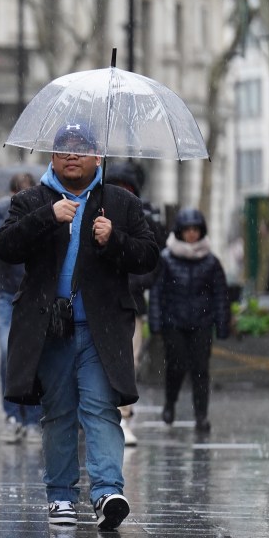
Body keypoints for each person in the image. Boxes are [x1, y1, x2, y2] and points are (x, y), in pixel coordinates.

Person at [0, 122, 159, 530]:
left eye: (82, 148)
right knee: (59, 412)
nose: (72, 155)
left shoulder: (118, 202)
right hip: (50, 328)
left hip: (102, 330)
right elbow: (5, 247)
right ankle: (61, 496)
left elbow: (148, 256)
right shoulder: (32, 199)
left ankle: (106, 492)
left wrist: (114, 239)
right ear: (51, 156)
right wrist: (47, 218)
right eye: (64, 148)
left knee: (101, 409)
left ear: (97, 157)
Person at [148, 208, 230, 433]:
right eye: (188, 230)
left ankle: (201, 415)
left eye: (195, 230)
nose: (192, 234)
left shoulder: (211, 262)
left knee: (201, 370)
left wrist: (223, 325)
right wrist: (156, 322)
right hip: (173, 322)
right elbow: (157, 292)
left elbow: (220, 295)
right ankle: (170, 404)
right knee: (176, 366)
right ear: (180, 232)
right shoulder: (166, 259)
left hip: (202, 323)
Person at [103, 162, 166, 446]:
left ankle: (123, 416)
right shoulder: (96, 211)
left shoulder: (142, 218)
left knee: (129, 359)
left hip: (131, 303)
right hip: (101, 303)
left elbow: (153, 259)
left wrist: (137, 281)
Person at [0, 171, 42, 445]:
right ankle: (12, 415)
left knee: (34, 356)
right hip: (8, 292)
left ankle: (32, 418)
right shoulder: (1, 209)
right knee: (8, 352)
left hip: (34, 293)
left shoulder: (44, 208)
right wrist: (12, 219)